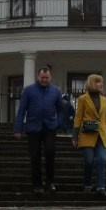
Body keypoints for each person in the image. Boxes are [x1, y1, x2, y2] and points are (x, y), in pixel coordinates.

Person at [14, 66, 63, 194]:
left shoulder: (56, 91)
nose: (44, 80)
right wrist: (18, 128)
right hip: (33, 127)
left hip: (50, 127)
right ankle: (37, 184)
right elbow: (21, 110)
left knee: (50, 151)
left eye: (46, 78)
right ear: (38, 76)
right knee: (35, 156)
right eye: (42, 77)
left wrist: (58, 123)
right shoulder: (28, 91)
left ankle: (50, 182)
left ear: (50, 77)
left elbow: (61, 110)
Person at [73, 74, 106, 197]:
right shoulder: (83, 99)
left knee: (102, 159)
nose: (101, 84)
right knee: (89, 161)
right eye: (98, 82)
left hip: (102, 134)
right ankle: (87, 184)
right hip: (87, 134)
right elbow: (78, 117)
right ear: (91, 83)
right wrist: (74, 135)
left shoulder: (104, 99)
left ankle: (101, 187)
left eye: (101, 82)